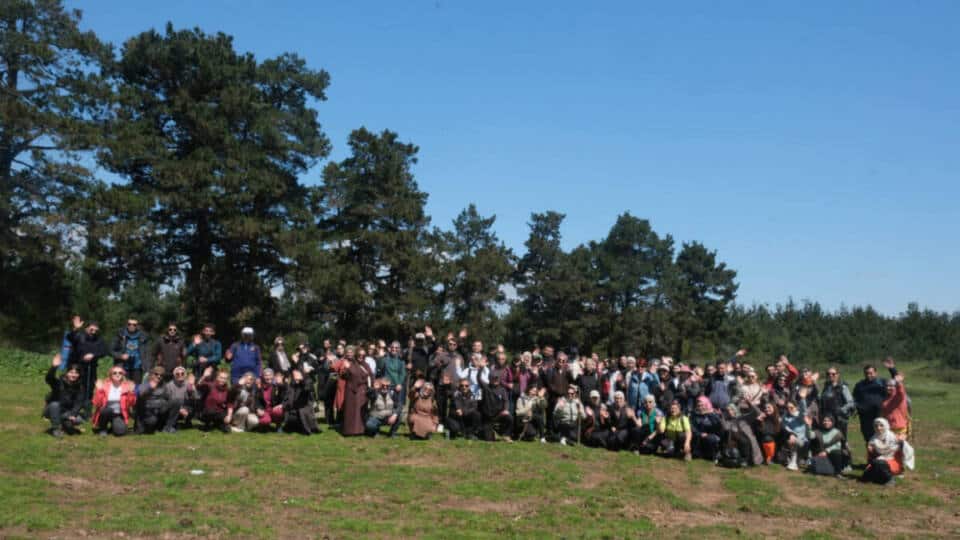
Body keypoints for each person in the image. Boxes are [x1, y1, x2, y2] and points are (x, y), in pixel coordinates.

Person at [65, 317, 109, 408]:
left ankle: (87, 403)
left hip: (91, 366)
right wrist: (76, 328)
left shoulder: (99, 339)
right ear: (86, 328)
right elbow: (69, 337)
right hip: (76, 365)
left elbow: (104, 351)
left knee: (90, 386)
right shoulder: (79, 335)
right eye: (91, 329)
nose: (93, 332)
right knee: (75, 384)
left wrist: (93, 355)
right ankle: (72, 403)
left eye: (96, 330)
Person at [43, 354, 85, 437]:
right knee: (55, 405)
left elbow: (79, 403)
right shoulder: (59, 383)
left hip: (66, 412)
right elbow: (49, 378)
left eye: (76, 373)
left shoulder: (80, 387)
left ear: (79, 375)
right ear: (67, 373)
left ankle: (64, 424)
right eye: (71, 372)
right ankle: (56, 429)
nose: (73, 375)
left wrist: (73, 414)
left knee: (79, 420)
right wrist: (54, 367)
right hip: (52, 409)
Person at [91, 366, 137, 437]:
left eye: (120, 373)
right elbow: (97, 404)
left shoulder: (127, 386)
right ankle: (103, 429)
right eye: (114, 373)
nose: (117, 374)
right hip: (105, 412)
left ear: (123, 375)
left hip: (118, 414)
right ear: (110, 375)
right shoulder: (104, 385)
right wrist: (99, 390)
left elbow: (130, 404)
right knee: (106, 410)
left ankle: (113, 426)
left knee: (120, 432)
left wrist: (131, 393)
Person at [860, 418, 903, 485]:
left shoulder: (893, 437)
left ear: (886, 426)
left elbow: (902, 451)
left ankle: (890, 479)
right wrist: (871, 450)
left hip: (892, 461)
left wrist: (901, 443)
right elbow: (871, 458)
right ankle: (880, 477)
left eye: (881, 425)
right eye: (876, 426)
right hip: (877, 461)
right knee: (864, 478)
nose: (878, 428)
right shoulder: (873, 439)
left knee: (880, 463)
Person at [340, 348, 371, 436]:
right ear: (356, 355)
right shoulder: (351, 364)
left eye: (363, 355)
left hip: (362, 391)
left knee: (361, 411)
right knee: (351, 411)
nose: (361, 357)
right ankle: (350, 430)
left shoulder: (366, 365)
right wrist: (347, 369)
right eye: (359, 355)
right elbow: (345, 376)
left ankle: (361, 430)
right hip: (351, 391)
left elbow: (369, 376)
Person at [819, 367, 855, 439]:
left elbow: (851, 402)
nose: (831, 375)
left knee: (841, 439)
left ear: (838, 375)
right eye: (828, 374)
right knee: (828, 438)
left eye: (833, 374)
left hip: (839, 419)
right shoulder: (826, 387)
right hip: (827, 418)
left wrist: (841, 410)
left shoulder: (843, 387)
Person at [111, 318, 150, 384]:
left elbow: (147, 353)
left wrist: (148, 368)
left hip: (137, 367)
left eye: (134, 325)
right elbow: (111, 350)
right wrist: (121, 356)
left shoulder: (143, 336)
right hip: (123, 366)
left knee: (136, 389)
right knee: (124, 388)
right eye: (129, 324)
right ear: (127, 325)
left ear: (137, 326)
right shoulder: (120, 335)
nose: (131, 326)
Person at [281, 369, 321, 435]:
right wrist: (284, 404)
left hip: (305, 405)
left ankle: (308, 429)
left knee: (302, 411)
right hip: (293, 406)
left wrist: (301, 380)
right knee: (289, 412)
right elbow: (288, 396)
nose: (295, 376)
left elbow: (307, 389)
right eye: (294, 375)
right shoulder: (292, 384)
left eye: (297, 374)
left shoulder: (307, 381)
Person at [161, 366, 197, 433]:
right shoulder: (169, 386)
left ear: (185, 375)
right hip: (171, 409)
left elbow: (196, 397)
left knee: (196, 403)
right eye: (177, 374)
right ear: (174, 376)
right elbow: (169, 401)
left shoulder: (188, 384)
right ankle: (169, 426)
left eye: (182, 373)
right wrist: (180, 409)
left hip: (184, 407)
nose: (180, 375)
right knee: (176, 402)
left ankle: (187, 422)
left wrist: (193, 386)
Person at [197, 367, 233, 433]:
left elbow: (230, 404)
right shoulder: (210, 385)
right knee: (211, 412)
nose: (223, 380)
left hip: (219, 412)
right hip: (207, 412)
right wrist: (204, 376)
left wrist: (229, 415)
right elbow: (199, 386)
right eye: (221, 377)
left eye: (225, 378)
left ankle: (217, 424)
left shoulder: (227, 390)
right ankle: (207, 424)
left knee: (227, 430)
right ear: (217, 377)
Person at [881, 359, 909, 440]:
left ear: (895, 387)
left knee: (899, 450)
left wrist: (899, 382)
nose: (888, 387)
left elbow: (900, 388)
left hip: (899, 429)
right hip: (888, 428)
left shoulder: (899, 396)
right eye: (887, 386)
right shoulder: (886, 398)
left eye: (891, 386)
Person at [479, 373, 512, 441]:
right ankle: (493, 432)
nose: (495, 380)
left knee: (509, 418)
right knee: (489, 439)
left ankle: (506, 435)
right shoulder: (486, 387)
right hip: (487, 417)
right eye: (493, 379)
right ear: (490, 379)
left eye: (496, 379)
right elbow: (478, 378)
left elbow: (506, 401)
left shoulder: (502, 390)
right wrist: (481, 368)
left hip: (498, 415)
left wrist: (505, 409)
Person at [135, 367, 169, 434]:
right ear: (151, 375)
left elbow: (167, 397)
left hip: (157, 409)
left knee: (168, 405)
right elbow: (140, 394)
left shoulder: (164, 385)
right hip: (146, 411)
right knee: (151, 423)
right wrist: (150, 388)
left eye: (161, 375)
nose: (159, 376)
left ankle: (165, 426)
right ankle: (142, 426)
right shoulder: (145, 384)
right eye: (156, 374)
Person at [690, 396, 724, 461]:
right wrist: (700, 433)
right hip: (699, 435)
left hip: (712, 434)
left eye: (702, 405)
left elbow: (718, 426)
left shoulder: (713, 414)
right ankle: (698, 452)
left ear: (706, 405)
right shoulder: (694, 414)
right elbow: (692, 426)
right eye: (698, 405)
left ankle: (714, 454)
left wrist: (710, 414)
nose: (700, 407)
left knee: (712, 438)